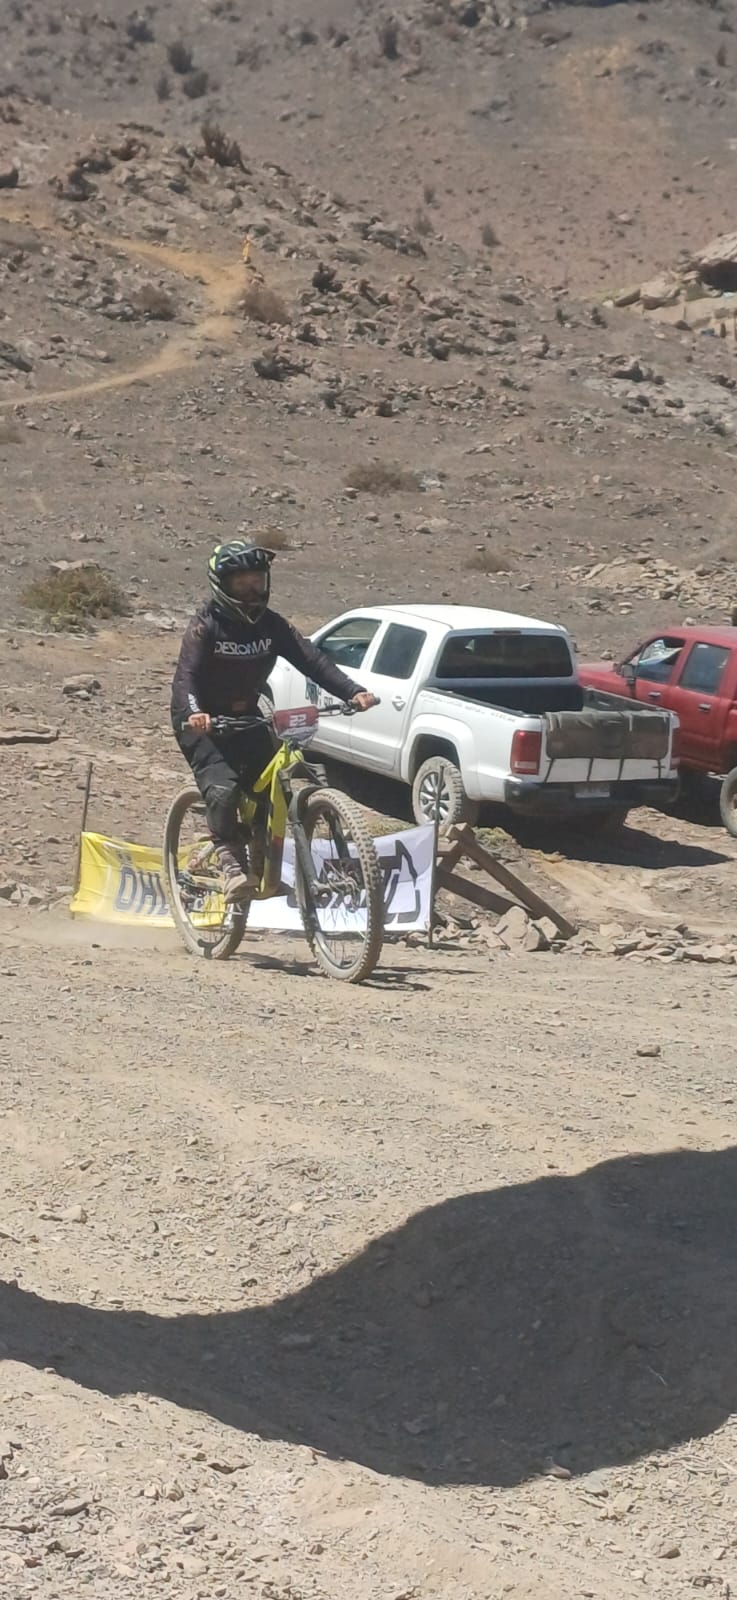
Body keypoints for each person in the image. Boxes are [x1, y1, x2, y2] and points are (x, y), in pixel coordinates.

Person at [171, 539, 376, 900]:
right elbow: (185, 676)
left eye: (257, 582)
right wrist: (194, 713)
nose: (251, 591)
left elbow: (312, 660)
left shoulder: (272, 626)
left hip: (247, 716)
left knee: (270, 786)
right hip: (201, 721)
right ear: (222, 585)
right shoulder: (206, 626)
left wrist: (352, 691)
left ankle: (262, 862)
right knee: (223, 788)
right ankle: (230, 861)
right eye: (241, 584)